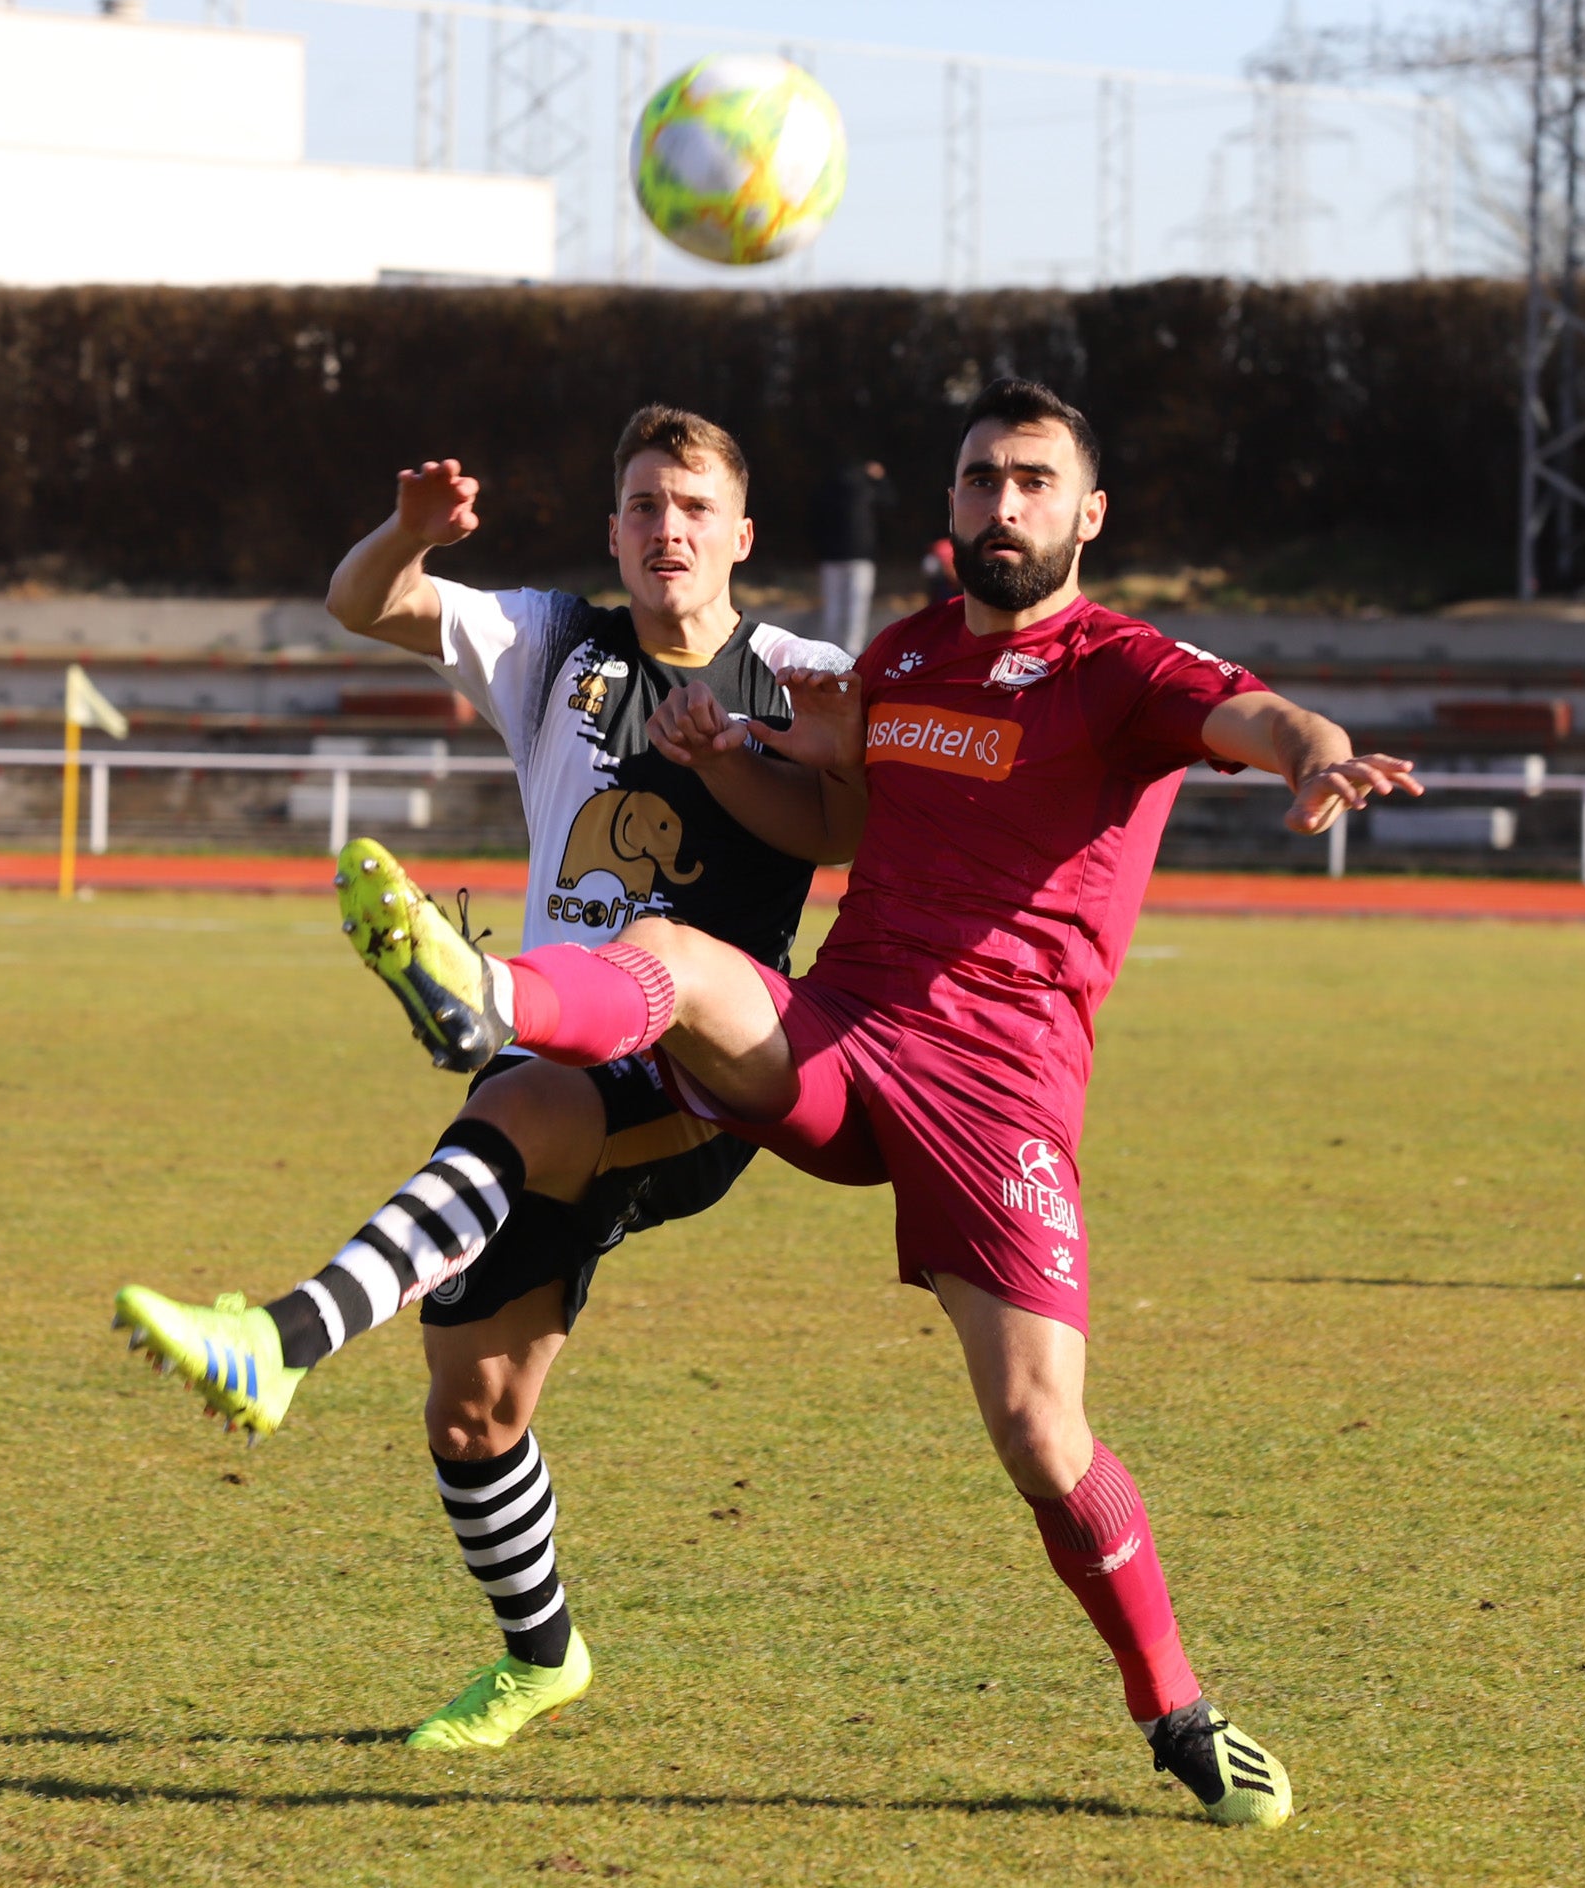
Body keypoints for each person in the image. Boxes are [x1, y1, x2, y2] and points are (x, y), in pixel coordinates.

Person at [330, 377, 1420, 1829]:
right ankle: (491, 998)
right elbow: (829, 817)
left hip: (1000, 1104)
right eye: (978, 481)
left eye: (1033, 482)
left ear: (1086, 515)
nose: (1002, 506)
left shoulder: (1125, 667)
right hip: (844, 1041)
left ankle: (1174, 1709)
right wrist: (738, 769)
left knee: (1042, 1435)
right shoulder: (898, 661)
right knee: (670, 956)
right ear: (951, 509)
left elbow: (1254, 714)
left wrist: (1317, 755)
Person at [109, 405, 851, 1751]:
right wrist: (411, 531)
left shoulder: (799, 669)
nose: (663, 529)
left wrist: (742, 749)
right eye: (639, 506)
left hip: (692, 1070)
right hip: (549, 1054)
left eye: (690, 507)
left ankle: (279, 1338)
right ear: (611, 529)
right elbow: (358, 602)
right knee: (472, 1415)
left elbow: (856, 799)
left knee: (513, 1099)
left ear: (742, 536)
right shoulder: (554, 640)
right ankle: (542, 1655)